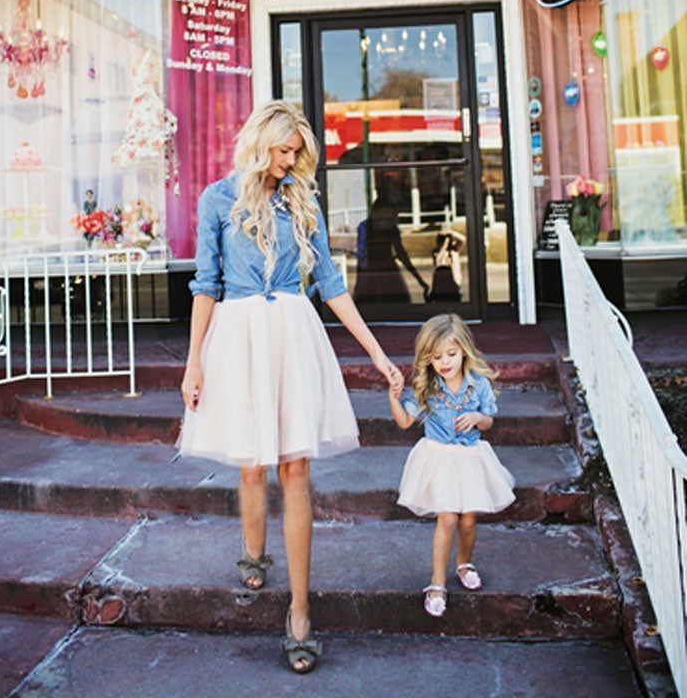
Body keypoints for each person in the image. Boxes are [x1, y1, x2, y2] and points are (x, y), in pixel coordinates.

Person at [179, 100, 403, 674]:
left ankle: (300, 611)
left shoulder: (302, 201)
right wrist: (193, 363)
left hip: (293, 332)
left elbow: (330, 281)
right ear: (260, 144)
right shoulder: (218, 200)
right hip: (236, 333)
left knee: (295, 466)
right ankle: (254, 552)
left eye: (296, 152)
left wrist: (377, 355)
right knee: (251, 464)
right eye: (282, 150)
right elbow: (206, 284)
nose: (289, 161)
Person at [387, 313, 515, 618]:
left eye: (451, 354)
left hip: (470, 458)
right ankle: (436, 583)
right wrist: (393, 396)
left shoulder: (478, 385)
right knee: (447, 518)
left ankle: (464, 563)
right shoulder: (428, 389)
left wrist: (477, 419)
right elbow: (405, 421)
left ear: (464, 352)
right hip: (439, 458)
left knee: (468, 520)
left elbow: (489, 419)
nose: (444, 362)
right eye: (436, 357)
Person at [353, 195, 430, 303]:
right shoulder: (365, 227)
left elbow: (402, 254)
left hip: (385, 272)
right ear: (375, 211)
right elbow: (361, 256)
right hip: (374, 274)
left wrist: (419, 280)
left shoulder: (390, 228)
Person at [427, 229, 465, 302]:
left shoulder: (454, 250)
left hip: (454, 283)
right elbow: (439, 261)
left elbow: (462, 239)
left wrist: (451, 232)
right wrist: (444, 246)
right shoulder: (436, 252)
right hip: (440, 286)